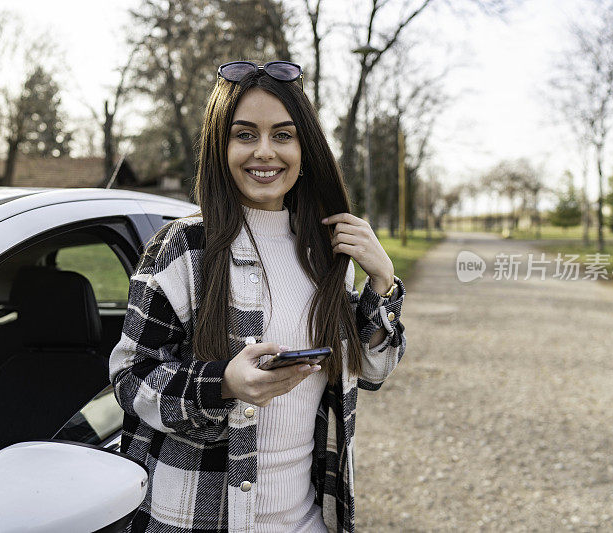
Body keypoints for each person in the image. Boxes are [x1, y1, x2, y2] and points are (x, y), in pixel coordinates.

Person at [109, 60, 406, 533]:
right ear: (220, 146)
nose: (264, 152)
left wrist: (382, 285)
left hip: (309, 519)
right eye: (245, 135)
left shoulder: (326, 252)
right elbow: (130, 379)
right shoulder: (185, 248)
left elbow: (370, 372)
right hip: (196, 520)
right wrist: (224, 383)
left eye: (283, 135)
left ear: (304, 148)